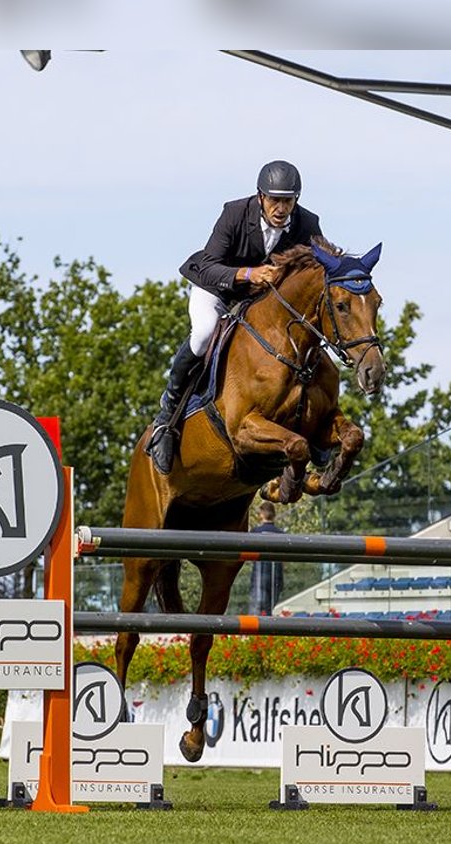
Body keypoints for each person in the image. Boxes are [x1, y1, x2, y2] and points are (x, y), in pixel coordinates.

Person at [147, 160, 324, 474]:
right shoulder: (234, 214)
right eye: (274, 200)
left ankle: (315, 426)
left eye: (288, 201)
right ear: (260, 197)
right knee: (203, 334)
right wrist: (248, 274)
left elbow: (322, 262)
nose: (281, 208)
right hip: (219, 289)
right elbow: (208, 265)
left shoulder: (307, 223)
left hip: (261, 303)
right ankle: (167, 419)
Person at [249, 501, 285, 615]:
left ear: (261, 514)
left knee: (257, 609)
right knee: (269, 608)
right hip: (276, 577)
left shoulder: (255, 533)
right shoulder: (281, 534)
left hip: (259, 576)